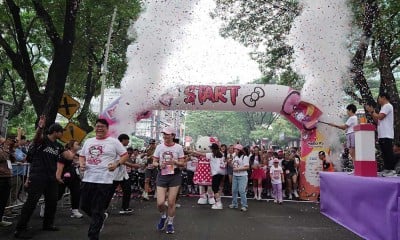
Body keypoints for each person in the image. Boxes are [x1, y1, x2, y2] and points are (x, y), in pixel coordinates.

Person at [15, 115, 75, 239]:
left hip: (51, 178)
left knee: (52, 202)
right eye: (61, 132)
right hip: (38, 176)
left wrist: (71, 147)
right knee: (31, 203)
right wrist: (40, 127)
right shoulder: (42, 141)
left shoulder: (57, 146)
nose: (62, 134)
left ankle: (48, 224)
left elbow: (69, 156)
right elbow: (36, 137)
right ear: (55, 132)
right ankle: (20, 229)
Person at [79, 119, 128, 240]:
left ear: (107, 129)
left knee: (97, 208)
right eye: (97, 126)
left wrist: (116, 164)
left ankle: (93, 236)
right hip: (88, 178)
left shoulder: (113, 142)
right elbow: (82, 155)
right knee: (84, 205)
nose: (99, 129)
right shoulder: (89, 141)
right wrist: (82, 164)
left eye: (102, 127)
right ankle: (101, 217)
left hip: (104, 180)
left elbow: (125, 155)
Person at [152, 126, 185, 234]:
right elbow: (154, 162)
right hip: (162, 175)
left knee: (171, 202)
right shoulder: (159, 147)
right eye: (164, 134)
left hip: (174, 176)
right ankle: (163, 216)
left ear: (173, 136)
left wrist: (175, 162)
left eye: (168, 134)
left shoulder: (178, 148)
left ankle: (170, 223)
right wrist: (158, 164)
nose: (165, 136)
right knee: (160, 203)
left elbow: (182, 163)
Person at [365, 93, 395, 177]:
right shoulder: (383, 107)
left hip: (387, 133)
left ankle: (392, 170)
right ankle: (387, 169)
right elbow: (377, 120)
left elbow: (380, 117)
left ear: (384, 98)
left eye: (379, 98)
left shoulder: (388, 106)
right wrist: (372, 113)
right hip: (382, 134)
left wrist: (372, 111)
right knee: (384, 152)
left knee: (388, 152)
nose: (378, 100)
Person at [56, 140, 83, 218]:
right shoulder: (65, 153)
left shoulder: (77, 155)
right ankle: (46, 205)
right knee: (58, 194)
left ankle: (75, 210)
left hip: (74, 177)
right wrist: (58, 176)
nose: (79, 145)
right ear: (71, 146)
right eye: (77, 144)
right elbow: (60, 165)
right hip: (64, 176)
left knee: (76, 193)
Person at [112, 134, 135, 214]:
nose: (128, 142)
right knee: (109, 192)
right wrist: (133, 165)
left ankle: (125, 208)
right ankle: (102, 208)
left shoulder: (122, 148)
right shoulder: (117, 148)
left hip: (123, 174)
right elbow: (121, 161)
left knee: (127, 190)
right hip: (115, 174)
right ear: (123, 140)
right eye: (127, 140)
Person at [228, 144, 249, 212]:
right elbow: (233, 166)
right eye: (234, 149)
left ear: (240, 150)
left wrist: (238, 169)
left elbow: (247, 167)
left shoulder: (244, 157)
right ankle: (234, 204)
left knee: (242, 191)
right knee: (234, 190)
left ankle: (244, 205)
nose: (234, 150)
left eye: (236, 149)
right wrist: (229, 163)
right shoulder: (234, 156)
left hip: (242, 176)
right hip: (235, 176)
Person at [0, 137, 15, 227]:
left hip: (7, 176)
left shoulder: (5, 148)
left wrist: (9, 148)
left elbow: (13, 159)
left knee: (3, 200)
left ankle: (0, 219)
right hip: (1, 177)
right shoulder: (3, 149)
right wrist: (5, 147)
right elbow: (2, 157)